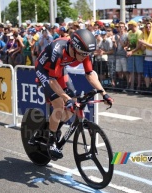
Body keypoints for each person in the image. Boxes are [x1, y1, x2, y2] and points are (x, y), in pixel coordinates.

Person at [34, 29, 114, 159]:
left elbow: (89, 74)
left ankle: (54, 128)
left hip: (59, 70)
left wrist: (104, 94)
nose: (85, 57)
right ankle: (51, 141)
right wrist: (66, 98)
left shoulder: (84, 53)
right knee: (60, 104)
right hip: (44, 70)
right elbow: (52, 80)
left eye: (87, 54)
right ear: (74, 48)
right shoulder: (58, 50)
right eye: (83, 54)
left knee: (73, 106)